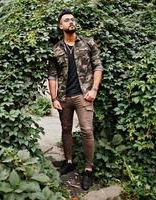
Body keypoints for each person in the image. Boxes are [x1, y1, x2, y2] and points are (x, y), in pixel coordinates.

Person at [48, 9, 104, 190]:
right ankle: (69, 161)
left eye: (72, 19)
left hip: (84, 95)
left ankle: (88, 169)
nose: (71, 22)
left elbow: (98, 67)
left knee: (87, 130)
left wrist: (94, 89)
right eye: (67, 20)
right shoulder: (56, 49)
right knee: (66, 129)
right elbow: (52, 75)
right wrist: (54, 98)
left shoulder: (88, 43)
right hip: (64, 97)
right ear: (60, 26)